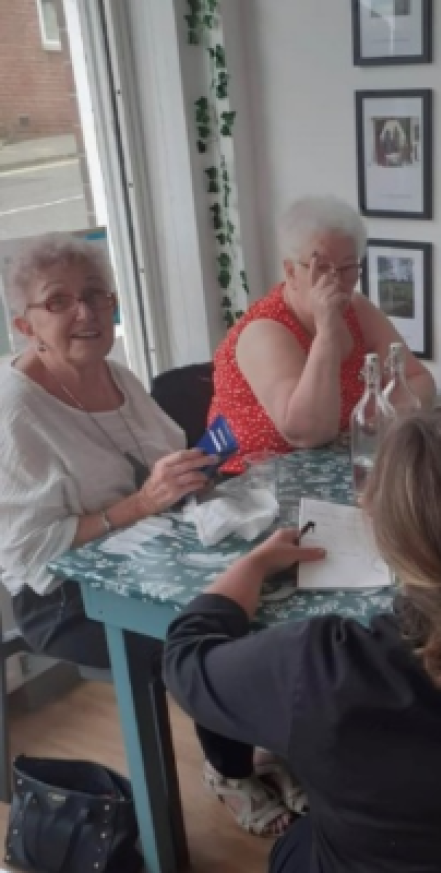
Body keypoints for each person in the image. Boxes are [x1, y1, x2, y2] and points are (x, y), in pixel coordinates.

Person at [164, 408, 441, 873]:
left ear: (377, 526)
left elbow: (185, 656)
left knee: (296, 844)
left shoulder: (321, 667)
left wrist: (253, 565)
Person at [0, 233, 296, 837]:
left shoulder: (114, 373)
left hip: (152, 554)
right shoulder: (15, 414)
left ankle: (268, 745)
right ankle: (230, 770)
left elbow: (162, 458)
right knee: (210, 639)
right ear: (24, 324)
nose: (84, 313)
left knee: (280, 594)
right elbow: (28, 552)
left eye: (95, 296)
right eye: (57, 302)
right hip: (66, 595)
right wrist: (142, 502)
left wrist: (192, 470)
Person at [208, 196, 435, 472]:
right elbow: (307, 433)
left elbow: (416, 378)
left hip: (339, 468)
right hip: (255, 487)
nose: (336, 280)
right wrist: (327, 331)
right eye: (322, 267)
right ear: (291, 271)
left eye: (348, 267)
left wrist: (380, 420)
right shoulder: (264, 331)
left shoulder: (356, 309)